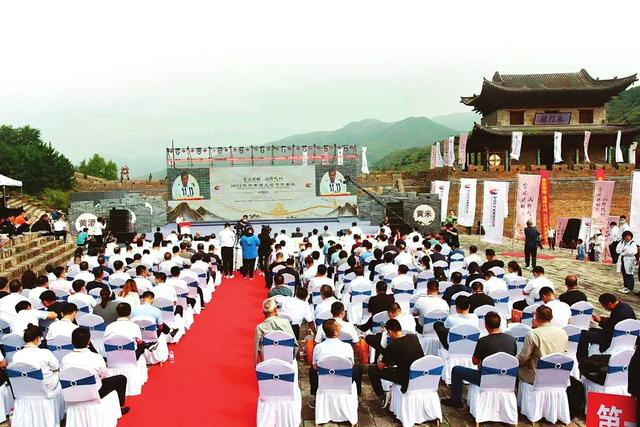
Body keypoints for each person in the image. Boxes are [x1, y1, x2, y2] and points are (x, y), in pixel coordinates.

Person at [441, 311, 517, 408]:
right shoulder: (511, 340)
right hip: (507, 378)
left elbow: (474, 361)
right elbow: (512, 358)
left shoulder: (483, 341)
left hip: (486, 378)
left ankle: (456, 401)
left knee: (456, 370)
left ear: (486, 325)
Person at [62, 328, 130, 415]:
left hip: (73, 392)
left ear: (72, 342)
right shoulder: (96, 357)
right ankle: (119, 408)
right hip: (94, 393)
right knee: (121, 379)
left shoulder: (65, 359)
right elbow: (104, 375)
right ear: (89, 342)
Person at [368, 318, 424, 407]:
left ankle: (382, 396)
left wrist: (380, 361)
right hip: (420, 373)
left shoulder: (393, 346)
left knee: (372, 370)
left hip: (406, 377)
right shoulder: (413, 337)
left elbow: (381, 367)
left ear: (390, 332)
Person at [309, 319, 362, 407]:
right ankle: (357, 395)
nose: (341, 327)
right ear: (336, 333)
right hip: (344, 378)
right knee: (358, 367)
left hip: (325, 378)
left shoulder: (318, 347)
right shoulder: (347, 347)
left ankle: (315, 396)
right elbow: (351, 365)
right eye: (339, 326)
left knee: (312, 369)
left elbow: (315, 366)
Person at [517, 305, 568, 384]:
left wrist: (514, 360)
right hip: (558, 373)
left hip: (538, 376)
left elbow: (524, 358)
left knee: (517, 371)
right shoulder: (563, 332)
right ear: (551, 317)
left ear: (537, 318)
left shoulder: (533, 334)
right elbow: (564, 353)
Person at [576, 293, 636, 359]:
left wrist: (600, 321)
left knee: (583, 334)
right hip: (627, 336)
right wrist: (605, 319)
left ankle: (582, 357)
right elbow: (615, 322)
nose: (604, 308)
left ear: (609, 304)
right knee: (591, 330)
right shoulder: (625, 306)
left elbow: (610, 330)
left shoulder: (619, 313)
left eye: (604, 306)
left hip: (612, 338)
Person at [254, 298, 297, 365]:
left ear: (263, 312)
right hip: (286, 360)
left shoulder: (260, 327)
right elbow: (295, 344)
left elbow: (256, 350)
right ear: (275, 310)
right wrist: (290, 357)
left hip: (267, 361)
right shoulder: (285, 323)